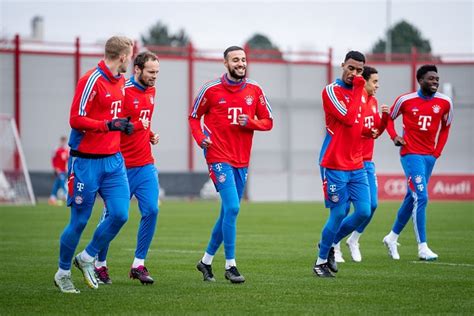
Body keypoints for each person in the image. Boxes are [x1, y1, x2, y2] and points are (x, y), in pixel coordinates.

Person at [53, 36, 134, 294]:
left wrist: (123, 125)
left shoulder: (121, 81)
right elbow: (75, 119)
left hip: (114, 161)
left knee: (121, 214)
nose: (130, 61)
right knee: (79, 222)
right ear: (122, 57)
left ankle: (87, 257)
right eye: (129, 57)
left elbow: (112, 116)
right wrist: (106, 126)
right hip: (86, 162)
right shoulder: (91, 80)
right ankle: (63, 273)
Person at [189, 46, 273, 283]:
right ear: (225, 63)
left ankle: (205, 262)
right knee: (233, 208)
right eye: (235, 60)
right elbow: (194, 117)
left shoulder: (255, 90)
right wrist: (200, 138)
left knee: (228, 210)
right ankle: (230, 265)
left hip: (241, 159)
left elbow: (268, 122)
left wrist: (252, 122)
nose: (241, 63)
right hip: (217, 155)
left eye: (243, 59)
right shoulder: (211, 89)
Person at [95, 51, 161, 285]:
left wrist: (149, 133)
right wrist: (135, 125)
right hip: (120, 166)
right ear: (137, 70)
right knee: (113, 216)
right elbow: (114, 125)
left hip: (145, 164)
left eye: (157, 72)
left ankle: (138, 265)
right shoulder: (122, 91)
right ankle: (99, 264)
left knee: (152, 210)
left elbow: (143, 121)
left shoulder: (151, 91)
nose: (155, 77)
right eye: (151, 72)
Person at [382, 65, 453, 261]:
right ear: (420, 80)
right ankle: (423, 247)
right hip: (410, 154)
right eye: (431, 79)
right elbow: (389, 119)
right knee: (421, 197)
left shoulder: (445, 102)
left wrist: (437, 152)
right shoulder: (405, 100)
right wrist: (394, 136)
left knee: (411, 197)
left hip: (429, 157)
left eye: (437, 79)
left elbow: (446, 127)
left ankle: (391, 237)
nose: (435, 82)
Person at [313, 51, 371, 278]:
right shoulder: (331, 91)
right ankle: (320, 263)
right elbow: (347, 118)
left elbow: (359, 124)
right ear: (342, 66)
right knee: (338, 214)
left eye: (359, 71)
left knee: (365, 211)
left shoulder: (361, 93)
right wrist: (359, 88)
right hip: (334, 161)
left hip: (357, 163)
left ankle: (327, 244)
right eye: (351, 68)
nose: (354, 74)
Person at [333, 66, 390, 263]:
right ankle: (334, 245)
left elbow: (373, 132)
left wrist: (383, 121)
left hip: (367, 161)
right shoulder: (356, 101)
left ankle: (353, 239)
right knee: (345, 208)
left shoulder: (373, 102)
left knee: (372, 205)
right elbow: (354, 128)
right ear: (363, 81)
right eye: (374, 81)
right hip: (349, 161)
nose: (377, 85)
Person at [49, 136, 69, 206]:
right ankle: (67, 196)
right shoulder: (57, 149)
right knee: (63, 183)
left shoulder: (67, 150)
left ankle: (52, 197)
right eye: (62, 141)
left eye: (64, 141)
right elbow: (53, 159)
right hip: (59, 170)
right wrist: (55, 168)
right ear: (60, 141)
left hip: (65, 170)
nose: (63, 142)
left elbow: (68, 160)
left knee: (57, 183)